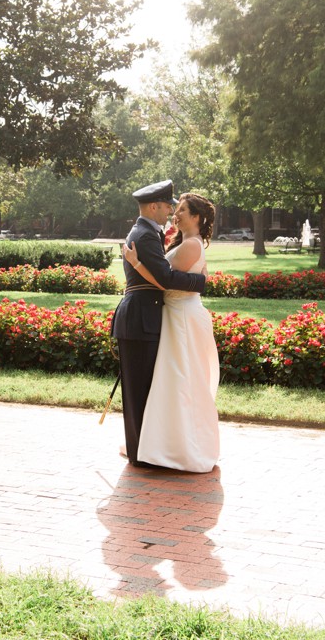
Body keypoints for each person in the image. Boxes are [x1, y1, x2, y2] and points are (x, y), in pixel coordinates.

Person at [111, 180, 207, 467]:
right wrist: (200, 281)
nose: (170, 212)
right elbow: (164, 278)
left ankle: (145, 450)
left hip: (144, 318)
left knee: (145, 389)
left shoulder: (146, 233)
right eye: (167, 206)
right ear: (154, 206)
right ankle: (142, 455)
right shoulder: (146, 235)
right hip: (141, 319)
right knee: (140, 390)